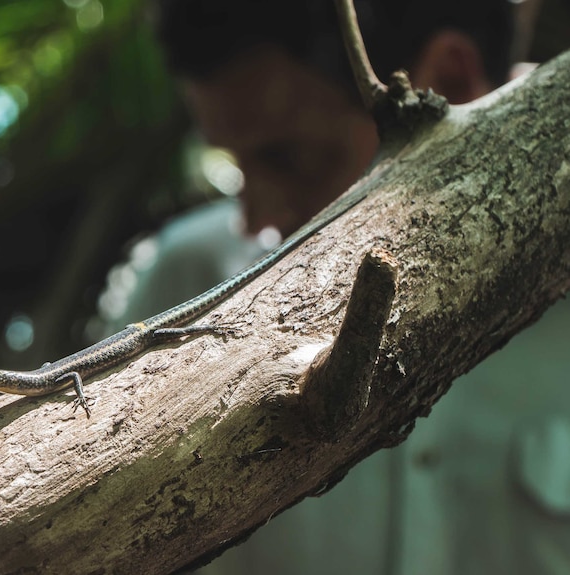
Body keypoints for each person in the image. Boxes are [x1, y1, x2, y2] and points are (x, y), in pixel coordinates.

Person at [102, 0, 570, 572]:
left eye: (289, 157)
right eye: (235, 165)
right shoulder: (187, 284)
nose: (255, 220)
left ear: (447, 82)